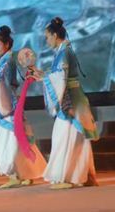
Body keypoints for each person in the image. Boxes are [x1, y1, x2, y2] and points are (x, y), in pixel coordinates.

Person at [36, 18, 99, 189]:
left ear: (55, 35)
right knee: (75, 138)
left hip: (70, 99)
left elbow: (60, 78)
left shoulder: (64, 52)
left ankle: (66, 177)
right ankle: (86, 175)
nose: (47, 41)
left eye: (47, 37)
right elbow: (57, 76)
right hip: (72, 96)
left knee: (65, 137)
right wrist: (44, 76)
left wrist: (45, 77)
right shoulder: (63, 51)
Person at [0, 26, 46, 188]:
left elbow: (1, 79)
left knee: (6, 140)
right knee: (18, 140)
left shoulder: (8, 60)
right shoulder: (5, 59)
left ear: (7, 44)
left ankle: (15, 175)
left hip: (9, 105)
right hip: (10, 103)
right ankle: (26, 173)